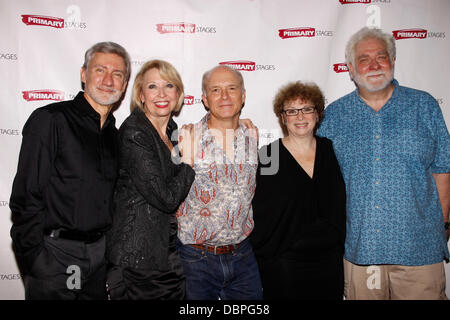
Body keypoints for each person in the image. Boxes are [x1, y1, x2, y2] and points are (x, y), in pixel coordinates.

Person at [318, 27, 450, 300]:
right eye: (364, 59)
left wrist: (444, 224)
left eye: (382, 57)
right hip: (361, 249)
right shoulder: (335, 116)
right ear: (351, 68)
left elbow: (443, 169)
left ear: (393, 61)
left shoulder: (423, 106)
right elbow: (320, 179)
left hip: (420, 249)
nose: (374, 65)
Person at [9, 42, 131, 299]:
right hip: (55, 255)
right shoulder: (52, 119)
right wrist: (36, 260)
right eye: (100, 70)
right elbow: (25, 196)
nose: (108, 80)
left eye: (117, 74)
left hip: (99, 258)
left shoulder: (114, 135)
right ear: (84, 74)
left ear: (125, 83)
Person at [106, 60, 196, 300]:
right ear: (141, 95)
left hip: (165, 253)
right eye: (152, 87)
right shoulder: (135, 132)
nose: (162, 94)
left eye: (169, 85)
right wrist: (189, 161)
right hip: (138, 258)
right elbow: (165, 198)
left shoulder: (173, 131)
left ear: (178, 93)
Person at [250, 81, 346, 300]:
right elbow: (259, 212)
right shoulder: (268, 155)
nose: (300, 117)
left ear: (318, 114)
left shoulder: (331, 150)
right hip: (285, 264)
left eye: (307, 109)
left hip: (329, 261)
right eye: (292, 111)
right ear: (283, 118)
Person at [176, 65, 262, 300]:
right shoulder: (186, 138)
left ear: (243, 96)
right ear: (204, 99)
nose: (224, 96)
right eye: (216, 90)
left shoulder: (251, 136)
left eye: (232, 89)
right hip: (196, 260)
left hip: (243, 257)